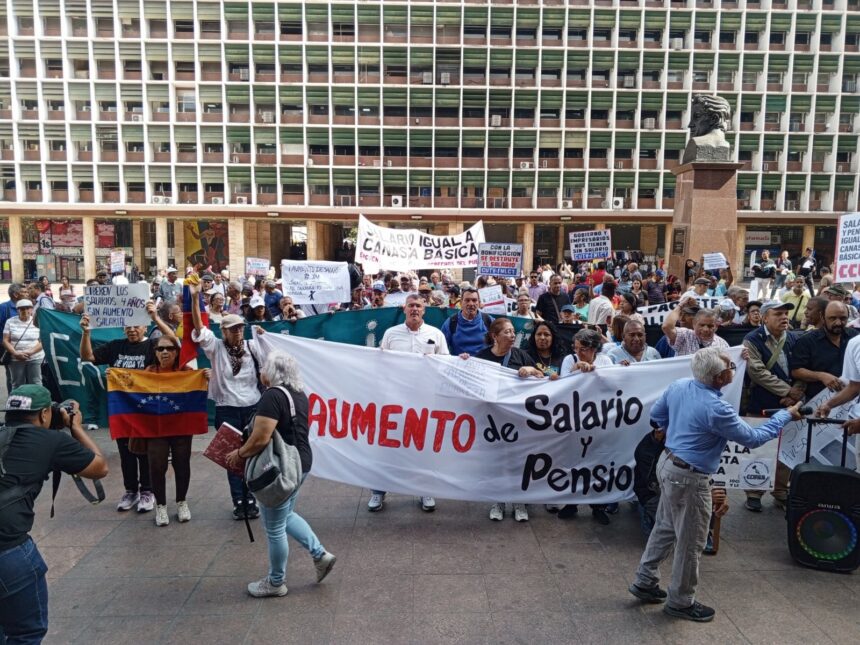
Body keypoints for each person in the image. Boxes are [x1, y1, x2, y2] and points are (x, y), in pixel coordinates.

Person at [629, 347, 803, 623]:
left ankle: (645, 580)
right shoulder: (716, 408)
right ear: (720, 377)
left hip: (669, 464)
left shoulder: (679, 386)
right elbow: (754, 438)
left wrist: (678, 430)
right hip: (690, 477)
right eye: (730, 367)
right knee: (691, 541)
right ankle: (681, 601)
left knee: (664, 526)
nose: (733, 369)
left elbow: (658, 415)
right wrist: (784, 416)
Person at [0, 386, 108, 643]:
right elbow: (99, 468)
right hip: (9, 551)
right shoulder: (51, 441)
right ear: (44, 414)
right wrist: (76, 427)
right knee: (26, 633)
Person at [224, 352, 337, 597]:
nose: (260, 371)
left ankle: (276, 582)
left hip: (280, 469)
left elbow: (261, 438)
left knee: (274, 527)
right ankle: (320, 555)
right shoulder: (299, 394)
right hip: (300, 464)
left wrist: (239, 454)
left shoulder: (272, 396)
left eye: (263, 367)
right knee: (285, 516)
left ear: (272, 373)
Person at [79, 300, 174, 513]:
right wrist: (86, 332)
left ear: (145, 328)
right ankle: (130, 490)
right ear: (123, 328)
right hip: (121, 410)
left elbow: (175, 342)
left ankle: (147, 491)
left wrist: (156, 318)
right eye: (128, 326)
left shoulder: (153, 345)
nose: (132, 330)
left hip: (146, 409)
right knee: (125, 453)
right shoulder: (115, 346)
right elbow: (87, 356)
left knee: (145, 451)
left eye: (136, 326)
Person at [189, 280, 265, 520]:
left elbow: (272, 360)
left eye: (241, 328)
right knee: (234, 456)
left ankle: (252, 497)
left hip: (252, 407)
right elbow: (199, 329)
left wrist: (264, 335)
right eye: (233, 329)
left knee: (252, 454)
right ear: (224, 331)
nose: (238, 332)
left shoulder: (253, 347)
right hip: (228, 410)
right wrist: (194, 298)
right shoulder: (216, 347)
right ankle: (239, 500)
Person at [368, 295, 449, 513]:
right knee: (387, 445)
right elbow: (380, 364)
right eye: (411, 306)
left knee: (422, 445)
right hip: (394, 399)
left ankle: (425, 490)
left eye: (418, 306)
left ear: (425, 310)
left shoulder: (436, 334)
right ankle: (378, 491)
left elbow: (445, 364)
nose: (414, 309)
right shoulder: (390, 334)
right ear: (404, 309)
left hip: (424, 400)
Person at [467, 318, 541, 522]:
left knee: (518, 461)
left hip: (517, 420)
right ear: (494, 336)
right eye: (507, 332)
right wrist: (464, 361)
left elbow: (543, 375)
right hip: (491, 420)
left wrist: (532, 371)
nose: (512, 335)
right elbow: (469, 381)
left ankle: (519, 501)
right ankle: (498, 501)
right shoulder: (481, 357)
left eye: (512, 332)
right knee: (496, 462)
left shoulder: (520, 355)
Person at [742, 301, 804, 512]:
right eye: (778, 314)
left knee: (786, 448)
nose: (784, 318)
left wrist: (796, 392)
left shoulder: (794, 338)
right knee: (760, 448)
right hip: (762, 402)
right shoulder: (752, 339)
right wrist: (787, 391)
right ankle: (754, 491)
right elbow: (757, 372)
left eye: (786, 313)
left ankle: (780, 490)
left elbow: (803, 367)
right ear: (764, 317)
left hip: (790, 404)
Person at [142, 335, 208, 526]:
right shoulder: (148, 373)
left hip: (181, 427)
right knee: (156, 466)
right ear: (155, 353)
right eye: (160, 349)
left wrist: (205, 378)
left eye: (169, 349)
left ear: (176, 352)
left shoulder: (187, 372)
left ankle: (181, 501)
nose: (164, 352)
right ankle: (160, 506)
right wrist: (116, 380)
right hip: (156, 429)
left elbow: (198, 391)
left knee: (182, 464)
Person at [791, 301, 856, 401]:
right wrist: (820, 376)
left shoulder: (855, 337)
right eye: (832, 318)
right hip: (819, 401)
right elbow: (796, 371)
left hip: (852, 401)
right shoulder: (807, 341)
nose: (838, 323)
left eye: (843, 318)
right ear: (822, 317)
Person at [661, 299, 729, 355]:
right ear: (694, 324)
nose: (705, 329)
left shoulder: (722, 344)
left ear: (716, 326)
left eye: (710, 326)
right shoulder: (684, 336)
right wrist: (680, 305)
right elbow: (666, 326)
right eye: (702, 325)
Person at [2, 299, 43, 389]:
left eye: (28, 308)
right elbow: (5, 340)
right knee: (17, 384)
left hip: (35, 357)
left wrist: (31, 352)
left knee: (36, 382)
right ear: (17, 310)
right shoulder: (10, 321)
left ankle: (36, 402)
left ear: (32, 309)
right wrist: (15, 353)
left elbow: (42, 341)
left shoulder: (38, 321)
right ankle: (17, 402)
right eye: (22, 309)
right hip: (16, 358)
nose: (25, 311)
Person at [441, 288, 492, 356]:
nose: (471, 304)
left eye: (474, 300)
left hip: (483, 364)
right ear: (461, 303)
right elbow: (442, 349)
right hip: (458, 365)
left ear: (479, 303)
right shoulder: (451, 323)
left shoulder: (488, 320)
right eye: (467, 300)